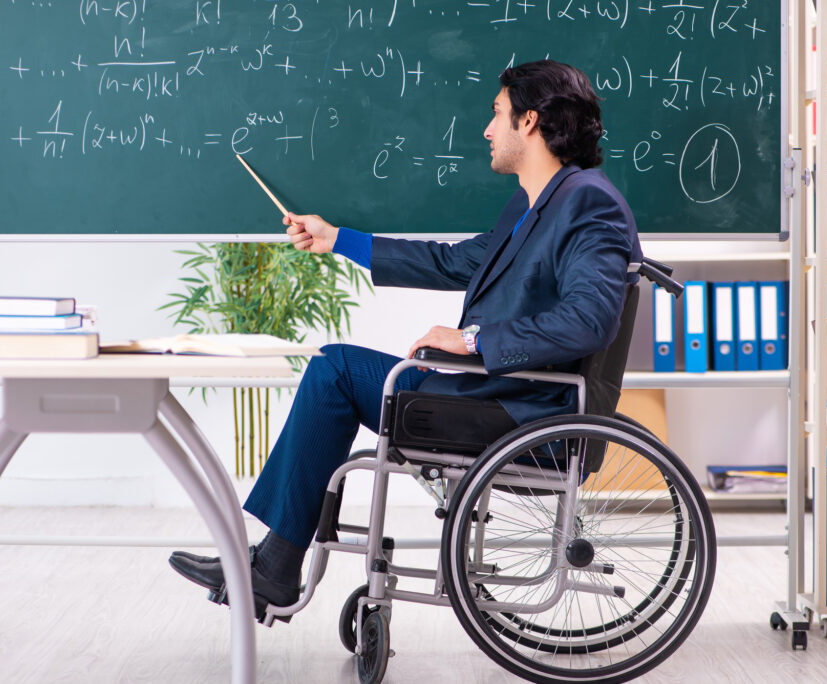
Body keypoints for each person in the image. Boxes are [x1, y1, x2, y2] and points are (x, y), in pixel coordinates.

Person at [168, 59, 643, 617]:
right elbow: (452, 262)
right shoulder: (535, 202)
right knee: (337, 370)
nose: (487, 130)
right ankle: (275, 561)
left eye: (496, 115)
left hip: (519, 411)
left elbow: (588, 320)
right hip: (491, 393)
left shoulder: (590, 203)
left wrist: (472, 341)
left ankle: (274, 566)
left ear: (530, 122)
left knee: (335, 370)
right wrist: (338, 239)